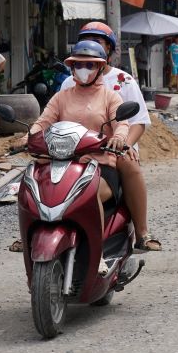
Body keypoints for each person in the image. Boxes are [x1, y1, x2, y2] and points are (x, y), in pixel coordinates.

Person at [24, 40, 130, 272]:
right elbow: (43, 122)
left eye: (90, 64)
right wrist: (28, 136)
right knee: (31, 191)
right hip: (61, 163)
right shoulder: (61, 97)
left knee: (89, 196)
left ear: (100, 68)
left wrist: (119, 137)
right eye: (79, 64)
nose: (84, 69)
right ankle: (27, 237)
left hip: (99, 165)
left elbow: (121, 122)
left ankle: (98, 254)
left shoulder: (110, 97)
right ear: (71, 67)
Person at [59, 22, 159, 252]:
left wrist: (124, 143)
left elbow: (139, 122)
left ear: (109, 51)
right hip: (73, 147)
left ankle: (142, 232)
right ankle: (32, 234)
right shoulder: (68, 82)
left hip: (112, 147)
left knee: (130, 165)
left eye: (99, 42)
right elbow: (53, 118)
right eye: (87, 41)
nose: (92, 46)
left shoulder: (123, 81)